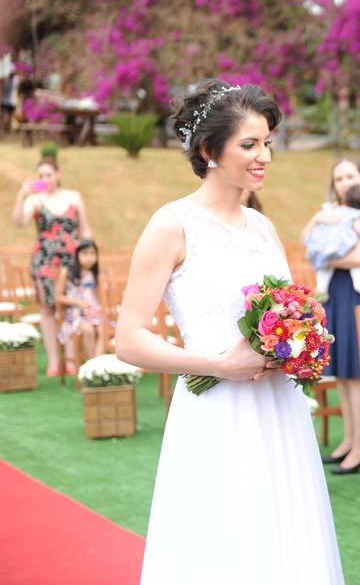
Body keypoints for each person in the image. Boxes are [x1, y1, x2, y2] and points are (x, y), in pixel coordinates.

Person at [115, 79, 343, 584]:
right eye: (250, 144)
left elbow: (287, 309)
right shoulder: (172, 225)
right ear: (208, 150)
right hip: (216, 410)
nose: (264, 155)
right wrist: (219, 365)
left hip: (279, 410)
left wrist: (298, 342)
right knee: (222, 544)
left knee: (282, 539)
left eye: (267, 143)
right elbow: (128, 339)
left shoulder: (261, 227)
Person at [301, 156, 360, 475]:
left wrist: (325, 256)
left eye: (350, 176)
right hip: (335, 296)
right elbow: (308, 240)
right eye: (339, 179)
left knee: (358, 374)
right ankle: (349, 440)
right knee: (344, 375)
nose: (345, 183)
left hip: (358, 299)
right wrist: (321, 224)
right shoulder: (332, 213)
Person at [11, 153, 93, 375]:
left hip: (71, 260)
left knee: (70, 305)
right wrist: (21, 195)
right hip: (45, 260)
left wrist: (90, 253)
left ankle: (70, 359)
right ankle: (54, 361)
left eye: (49, 174)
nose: (45, 178)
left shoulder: (73, 197)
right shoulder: (35, 200)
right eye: (41, 175)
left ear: (58, 175)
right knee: (47, 308)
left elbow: (84, 228)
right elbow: (19, 222)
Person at [303, 184, 360, 301]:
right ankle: (359, 284)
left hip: (324, 245)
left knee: (324, 269)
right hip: (342, 246)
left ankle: (321, 289)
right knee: (358, 267)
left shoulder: (332, 209)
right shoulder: (355, 215)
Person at [55, 238, 105, 367]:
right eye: (85, 254)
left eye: (93, 254)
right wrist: (78, 302)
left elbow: (100, 296)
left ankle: (98, 364)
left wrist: (98, 309)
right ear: (77, 255)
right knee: (88, 329)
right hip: (75, 313)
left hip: (93, 311)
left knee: (102, 328)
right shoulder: (67, 272)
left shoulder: (95, 274)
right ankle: (93, 364)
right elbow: (59, 296)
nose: (89, 258)